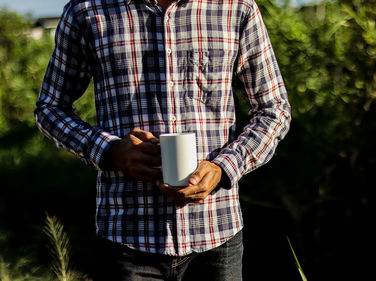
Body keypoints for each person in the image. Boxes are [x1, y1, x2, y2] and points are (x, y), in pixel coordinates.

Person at [34, 0, 291, 280]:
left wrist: (223, 168)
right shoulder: (87, 10)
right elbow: (50, 108)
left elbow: (273, 110)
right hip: (127, 239)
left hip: (217, 234)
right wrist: (109, 150)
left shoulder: (236, 7)